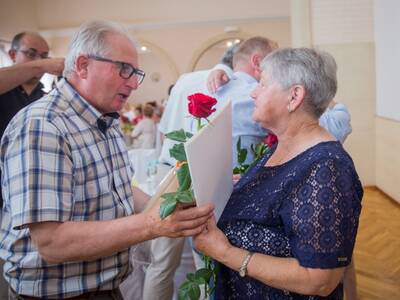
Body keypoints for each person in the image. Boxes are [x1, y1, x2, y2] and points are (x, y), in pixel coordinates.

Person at [0, 20, 214, 299]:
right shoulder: (43, 125)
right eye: (124, 69)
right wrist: (151, 224)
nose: (134, 83)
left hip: (105, 287)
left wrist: (172, 203)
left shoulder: (105, 120)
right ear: (83, 65)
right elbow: (52, 242)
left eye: (136, 72)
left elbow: (121, 190)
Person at [193, 48, 363, 299]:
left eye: (262, 84)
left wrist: (225, 253)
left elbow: (319, 280)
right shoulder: (280, 146)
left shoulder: (328, 168)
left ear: (294, 96)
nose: (253, 92)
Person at [142, 45, 237, 300]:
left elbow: (164, 130)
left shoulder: (185, 80)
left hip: (169, 169)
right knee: (204, 258)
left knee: (161, 264)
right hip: (195, 173)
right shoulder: (230, 83)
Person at [0, 31, 64, 299]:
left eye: (45, 56)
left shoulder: (46, 98)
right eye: (31, 54)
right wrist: (43, 66)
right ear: (13, 55)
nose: (40, 61)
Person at [213, 37, 278, 168]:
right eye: (275, 63)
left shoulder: (209, 87)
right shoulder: (255, 94)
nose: (278, 70)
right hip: (242, 178)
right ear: (257, 62)